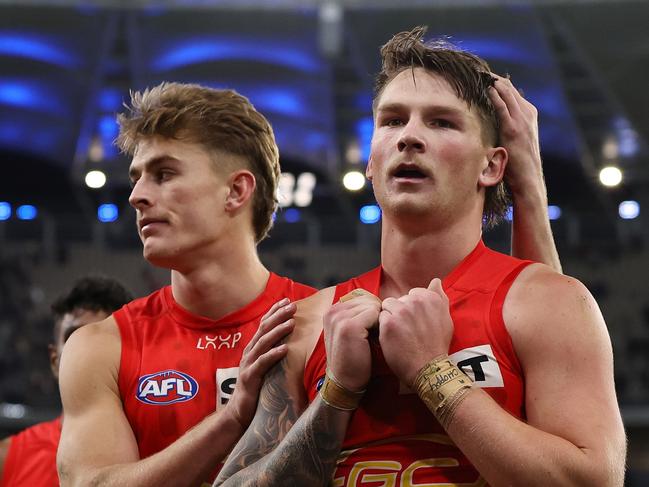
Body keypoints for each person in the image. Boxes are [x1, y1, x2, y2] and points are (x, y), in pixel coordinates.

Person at [215, 27, 625, 486]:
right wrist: (338, 392)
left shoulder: (551, 302)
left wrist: (432, 371)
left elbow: (592, 481)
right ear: (371, 162)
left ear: (491, 166)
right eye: (392, 121)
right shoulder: (308, 322)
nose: (409, 137)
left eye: (441, 122)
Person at [56, 84, 317, 487]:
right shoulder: (99, 347)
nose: (137, 196)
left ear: (235, 191)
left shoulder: (324, 324)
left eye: (164, 174)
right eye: (136, 178)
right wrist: (231, 419)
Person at [0, 276, 132, 487]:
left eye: (103, 337)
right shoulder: (8, 459)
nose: (86, 351)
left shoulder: (162, 453)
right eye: (74, 337)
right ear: (54, 360)